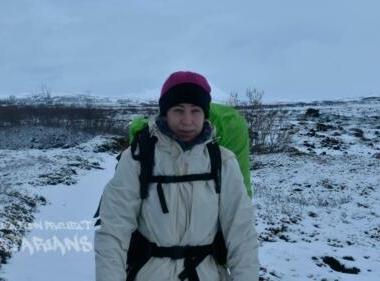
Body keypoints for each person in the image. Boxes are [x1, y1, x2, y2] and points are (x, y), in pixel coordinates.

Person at [95, 71, 259, 281]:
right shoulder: (137, 159)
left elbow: (242, 235)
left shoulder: (223, 162)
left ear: (205, 113)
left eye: (196, 110)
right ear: (165, 112)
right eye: (178, 110)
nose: (187, 120)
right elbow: (113, 232)